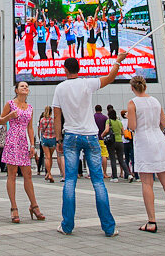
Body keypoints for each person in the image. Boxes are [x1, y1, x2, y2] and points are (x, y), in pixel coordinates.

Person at [52, 52, 125, 237]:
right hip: (91, 136)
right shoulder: (87, 83)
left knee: (70, 180)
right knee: (98, 182)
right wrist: (117, 61)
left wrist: (59, 140)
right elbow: (110, 77)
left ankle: (67, 226)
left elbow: (57, 117)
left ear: (65, 69)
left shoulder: (60, 88)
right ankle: (109, 228)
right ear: (79, 69)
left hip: (71, 137)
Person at [128, 75, 165, 233]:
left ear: (133, 88)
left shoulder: (133, 103)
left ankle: (152, 221)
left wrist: (128, 117)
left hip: (144, 142)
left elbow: (132, 126)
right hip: (159, 140)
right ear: (145, 86)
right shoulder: (156, 101)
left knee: (147, 182)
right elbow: (164, 123)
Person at [0, 81, 44, 222]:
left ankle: (34, 206)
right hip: (12, 140)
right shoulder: (10, 104)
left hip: (24, 142)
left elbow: (30, 128)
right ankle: (14, 207)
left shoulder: (29, 108)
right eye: (22, 86)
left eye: (26, 87)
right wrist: (9, 117)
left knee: (28, 174)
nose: (25, 88)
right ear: (16, 90)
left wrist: (32, 145)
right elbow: (0, 121)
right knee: (12, 174)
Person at [102, 106, 128, 182]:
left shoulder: (108, 121)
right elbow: (123, 132)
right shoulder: (119, 122)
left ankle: (115, 177)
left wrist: (102, 135)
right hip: (120, 141)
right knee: (121, 159)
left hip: (112, 142)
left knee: (113, 159)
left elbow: (106, 130)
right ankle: (128, 174)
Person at [38, 106, 57, 183]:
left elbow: (41, 130)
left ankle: (48, 173)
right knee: (50, 157)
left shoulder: (42, 120)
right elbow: (56, 129)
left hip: (45, 138)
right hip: (52, 138)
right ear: (51, 112)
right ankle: (49, 173)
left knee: (47, 157)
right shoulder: (53, 120)